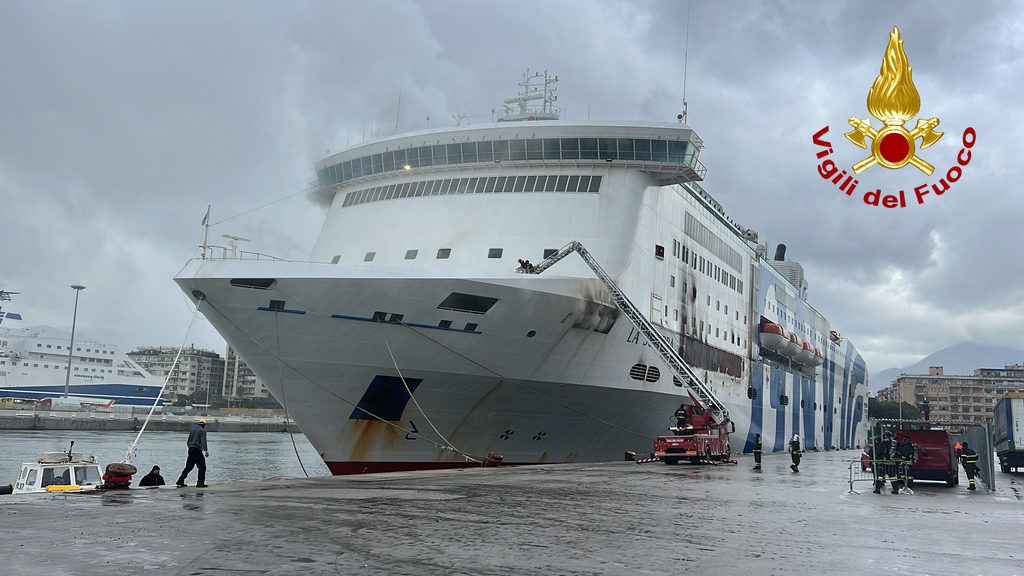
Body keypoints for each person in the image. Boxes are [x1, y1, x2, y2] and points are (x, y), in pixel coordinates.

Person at [176, 418, 210, 488]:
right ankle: (200, 483)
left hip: (191, 449)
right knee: (202, 467)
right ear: (204, 425)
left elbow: (188, 441)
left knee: (188, 467)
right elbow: (203, 441)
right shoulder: (203, 431)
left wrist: (190, 447)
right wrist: (206, 450)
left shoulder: (193, 430)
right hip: (197, 450)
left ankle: (180, 481)